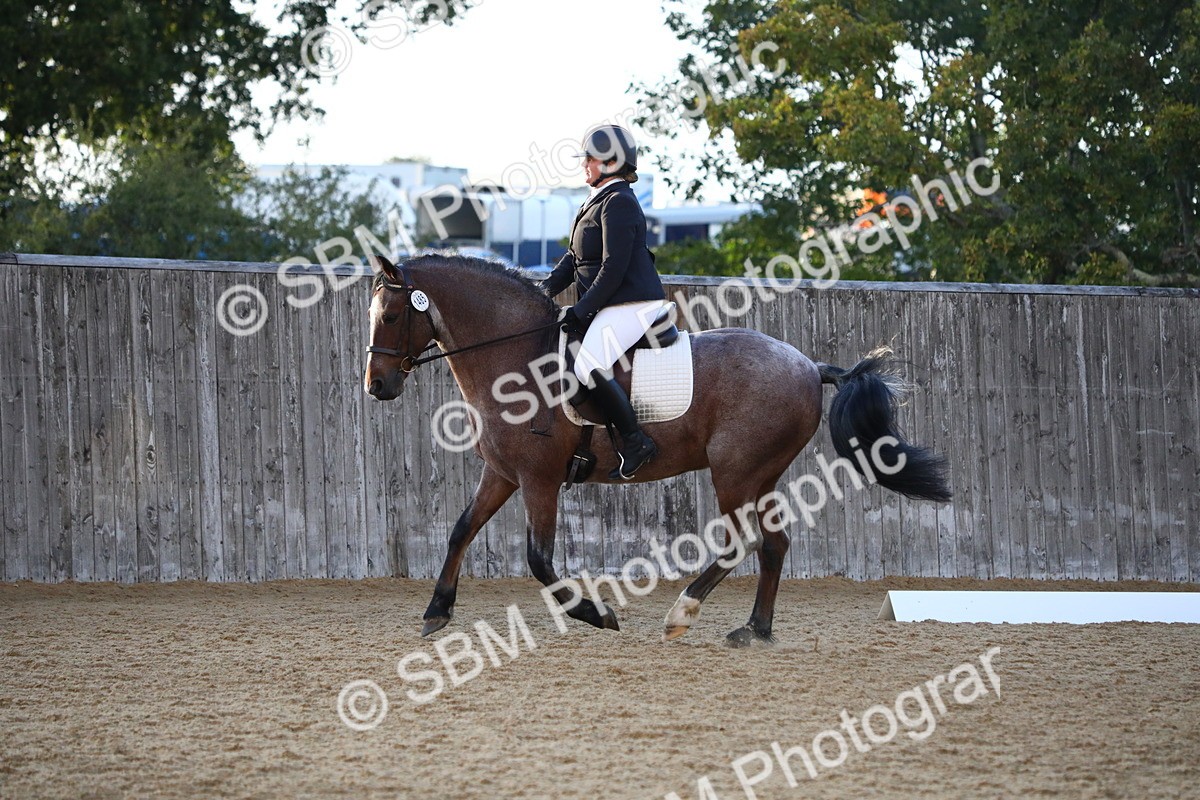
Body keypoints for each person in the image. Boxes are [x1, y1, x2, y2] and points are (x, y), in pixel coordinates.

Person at [537, 124, 666, 480]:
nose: (585, 165)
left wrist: (580, 311)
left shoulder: (620, 202)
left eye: (590, 159)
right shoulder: (597, 200)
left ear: (610, 162)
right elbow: (574, 258)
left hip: (632, 303)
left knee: (586, 364)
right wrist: (543, 290)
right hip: (612, 304)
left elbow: (613, 268)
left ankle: (636, 442)